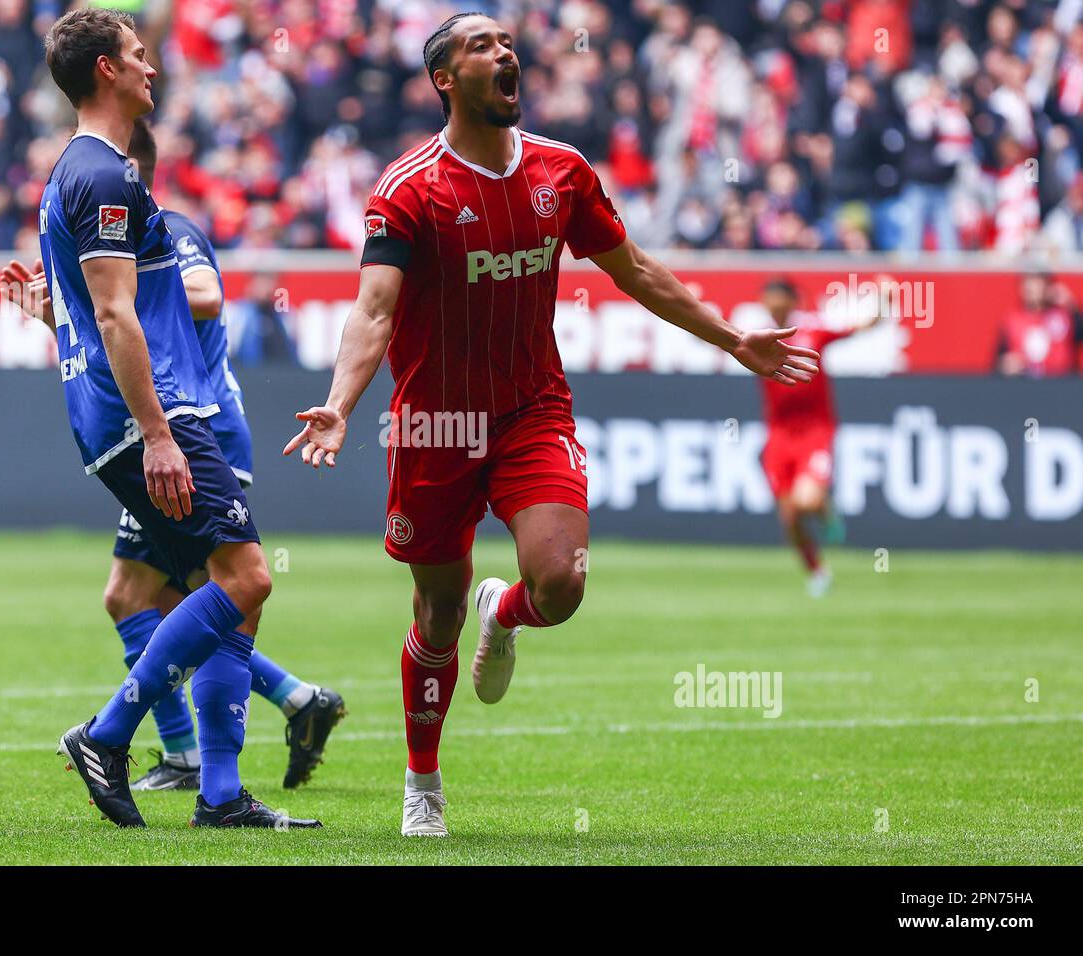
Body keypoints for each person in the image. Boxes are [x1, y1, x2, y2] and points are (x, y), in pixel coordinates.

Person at [283, 12, 820, 837]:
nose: (504, 53)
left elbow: (634, 269)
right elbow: (374, 309)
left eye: (506, 42)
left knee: (561, 583)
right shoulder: (408, 187)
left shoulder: (562, 172)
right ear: (443, 80)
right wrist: (341, 401)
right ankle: (422, 781)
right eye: (479, 46)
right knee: (436, 611)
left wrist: (731, 337)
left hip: (533, 411)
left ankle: (510, 616)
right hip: (435, 423)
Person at [34, 7, 319, 829]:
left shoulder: (82, 175)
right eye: (137, 54)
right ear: (105, 72)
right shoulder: (102, 175)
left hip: (139, 410)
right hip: (151, 413)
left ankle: (220, 795)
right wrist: (159, 434)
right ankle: (111, 734)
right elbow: (120, 317)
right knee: (244, 579)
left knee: (222, 589)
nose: (152, 66)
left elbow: (102, 309)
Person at [756, 277, 881, 596]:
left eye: (777, 297)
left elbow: (864, 326)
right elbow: (714, 341)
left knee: (806, 500)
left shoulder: (812, 332)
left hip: (814, 430)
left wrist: (885, 301)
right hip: (778, 435)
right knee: (789, 517)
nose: (772, 303)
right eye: (767, 297)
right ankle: (817, 570)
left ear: (791, 301)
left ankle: (825, 509)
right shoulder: (756, 338)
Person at [996, 271, 1083, 377]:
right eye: (1027, 283)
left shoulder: (1064, 316)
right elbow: (997, 364)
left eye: (1037, 282)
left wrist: (1072, 306)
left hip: (1061, 385)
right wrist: (1004, 366)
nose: (1031, 288)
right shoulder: (1012, 321)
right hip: (1023, 386)